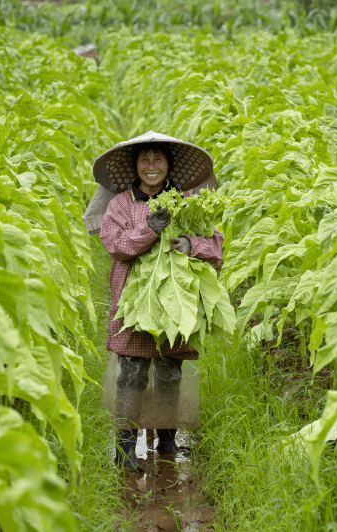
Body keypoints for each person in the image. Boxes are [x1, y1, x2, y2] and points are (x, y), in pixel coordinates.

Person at [93, 132, 223, 472]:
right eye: (145, 160)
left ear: (169, 166)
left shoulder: (185, 200)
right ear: (136, 166)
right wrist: (148, 230)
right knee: (131, 375)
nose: (152, 166)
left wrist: (190, 245)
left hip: (173, 305)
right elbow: (114, 244)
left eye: (158, 159)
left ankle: (167, 440)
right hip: (133, 306)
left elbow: (216, 245)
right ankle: (125, 448)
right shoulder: (120, 204)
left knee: (169, 372)